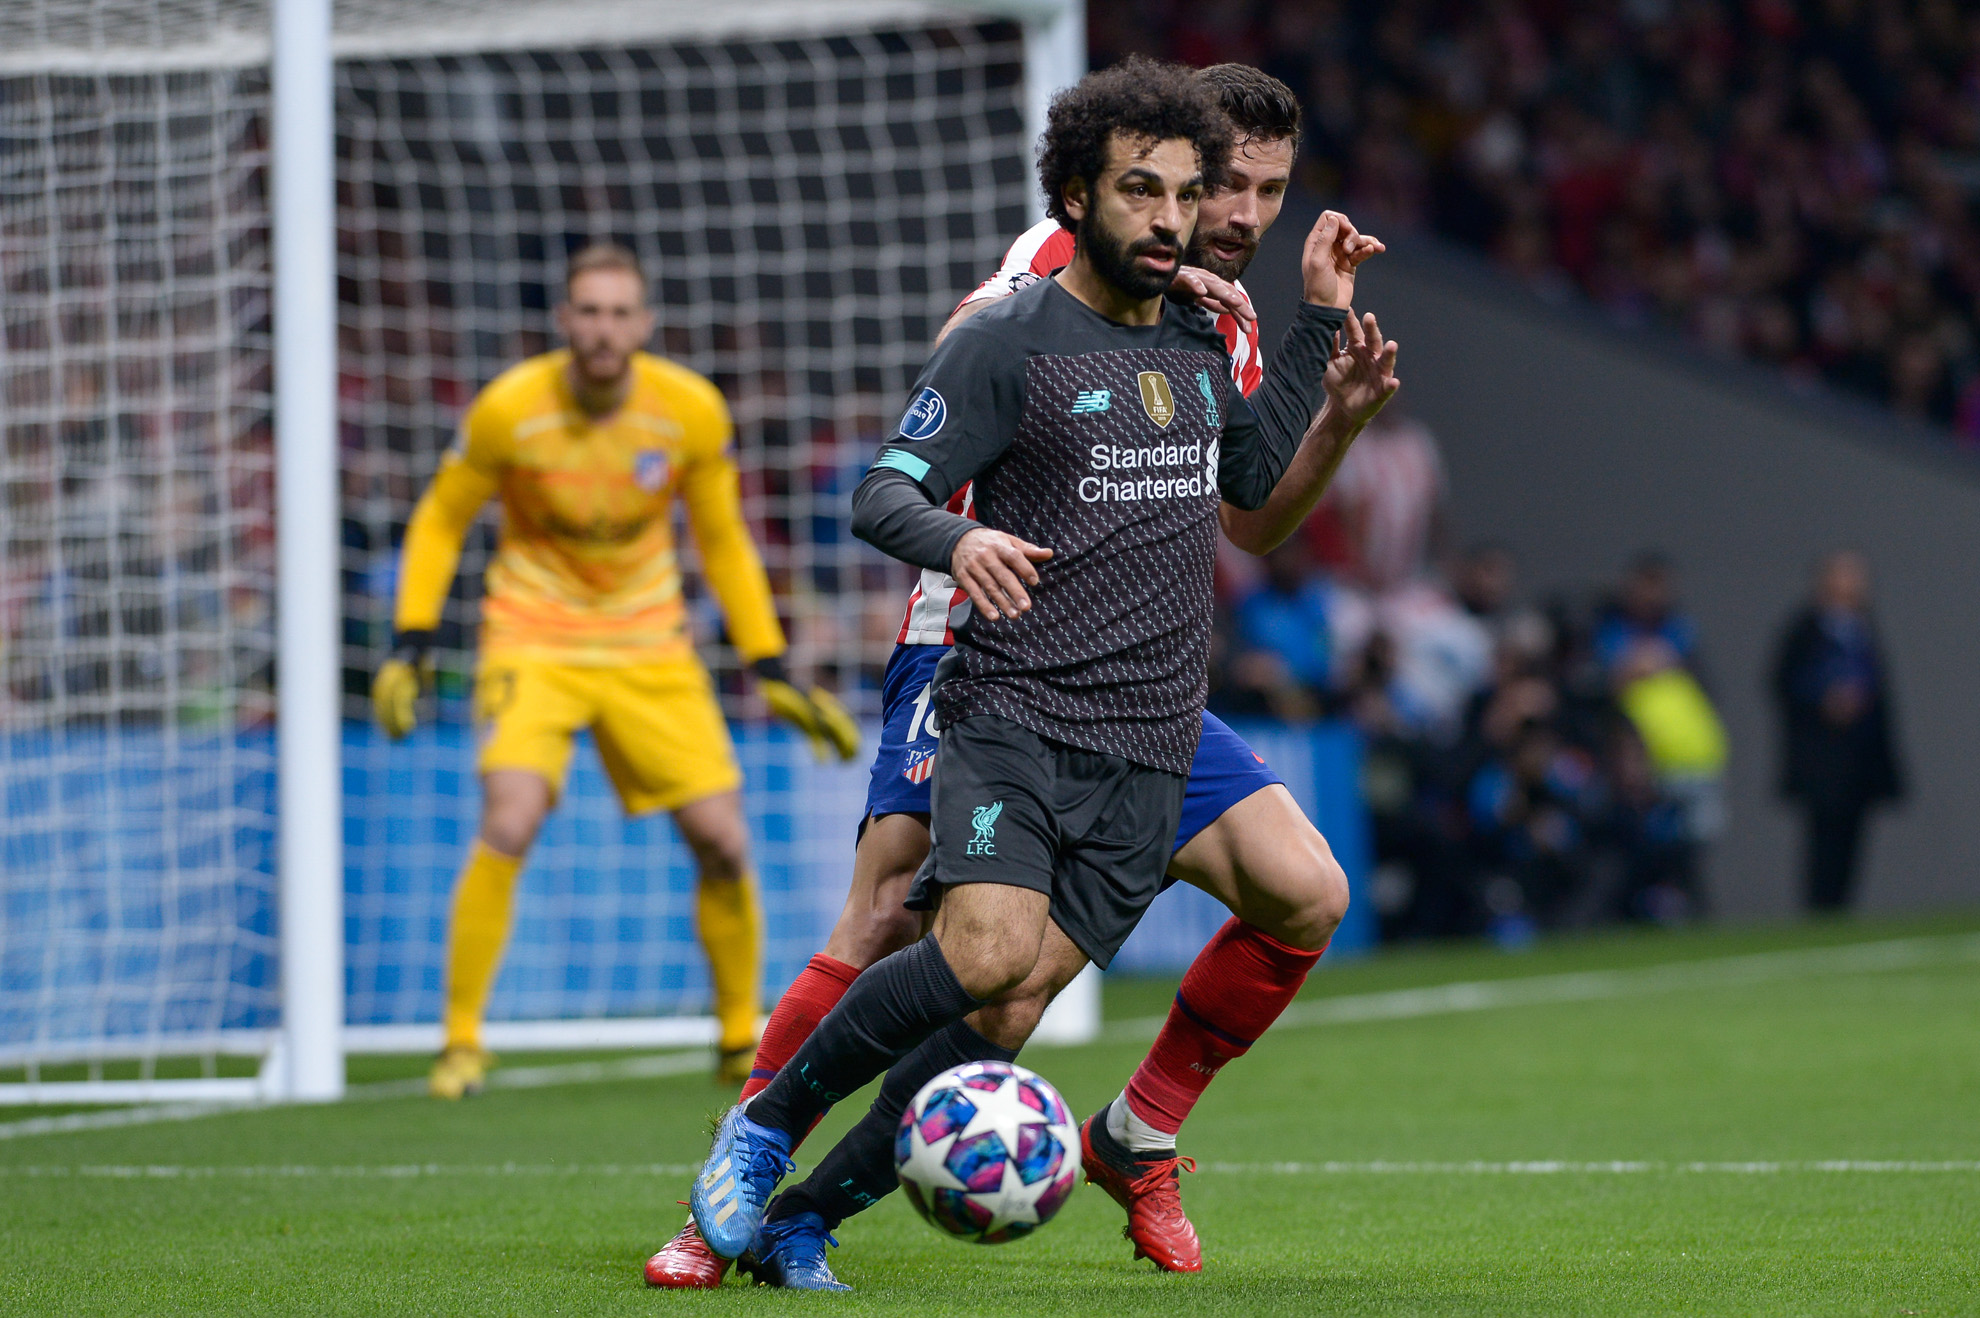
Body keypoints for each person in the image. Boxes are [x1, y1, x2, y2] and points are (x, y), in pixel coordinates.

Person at [644, 62, 1397, 1287]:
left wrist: (1334, 393)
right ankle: (739, 1164)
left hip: (1149, 697)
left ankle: (1100, 1144)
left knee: (1258, 907)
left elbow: (1252, 507)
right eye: (1205, 188)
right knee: (904, 922)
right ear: (1103, 187)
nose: (1233, 216)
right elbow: (933, 435)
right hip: (984, 652)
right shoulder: (1034, 289)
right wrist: (963, 534)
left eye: (1253, 189)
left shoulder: (1222, 324)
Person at [370, 243, 859, 1100]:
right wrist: (409, 642)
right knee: (511, 815)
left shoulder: (689, 412)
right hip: (532, 635)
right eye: (587, 312)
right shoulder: (509, 411)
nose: (603, 329)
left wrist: (769, 662)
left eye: (618, 312)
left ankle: (737, 1032)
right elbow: (441, 521)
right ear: (564, 322)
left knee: (722, 837)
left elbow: (723, 541)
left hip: (649, 643)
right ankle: (460, 1044)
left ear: (644, 323)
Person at [1771, 550, 1904, 912]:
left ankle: (1842, 909)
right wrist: (1824, 700)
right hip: (1821, 758)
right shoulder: (1805, 628)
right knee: (1823, 838)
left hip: (1859, 758)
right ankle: (1820, 908)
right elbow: (1782, 682)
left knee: (1853, 839)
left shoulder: (1863, 628)